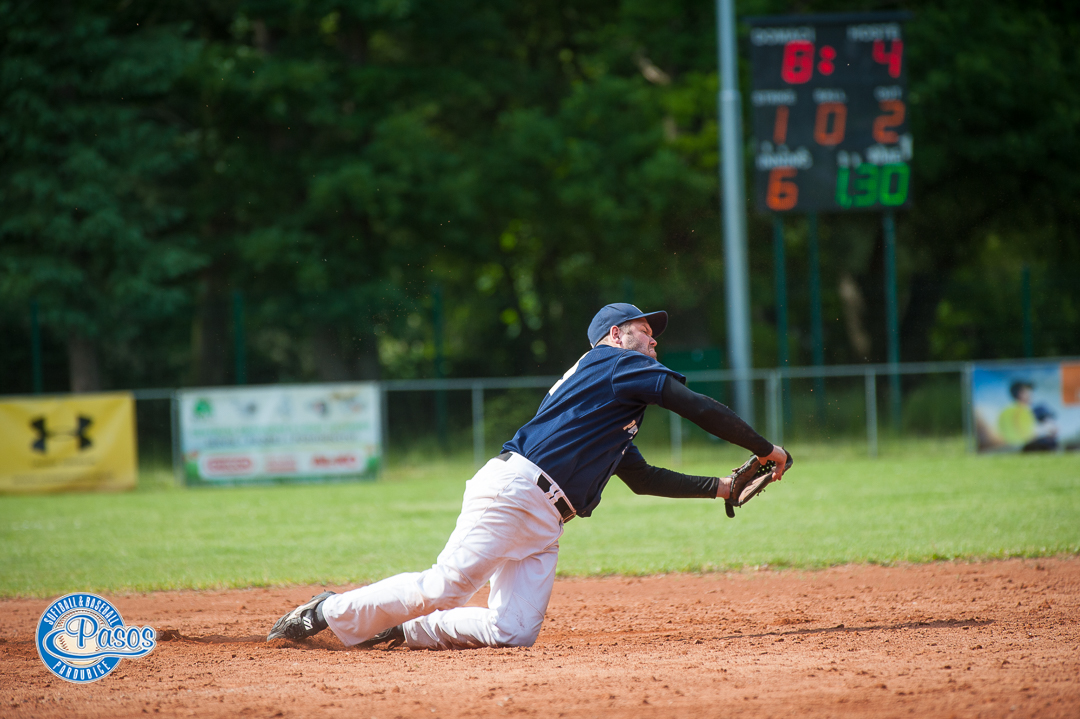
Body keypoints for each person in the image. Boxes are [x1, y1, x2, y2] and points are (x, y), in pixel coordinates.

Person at [267, 303, 789, 650]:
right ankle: (327, 611)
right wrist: (765, 450)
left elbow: (641, 477)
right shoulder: (611, 363)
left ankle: (405, 630)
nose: (653, 343)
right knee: (445, 585)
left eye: (653, 336)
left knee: (511, 631)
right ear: (615, 335)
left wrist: (720, 486)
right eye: (645, 333)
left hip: (544, 518)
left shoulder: (606, 399)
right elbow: (692, 404)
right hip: (517, 494)